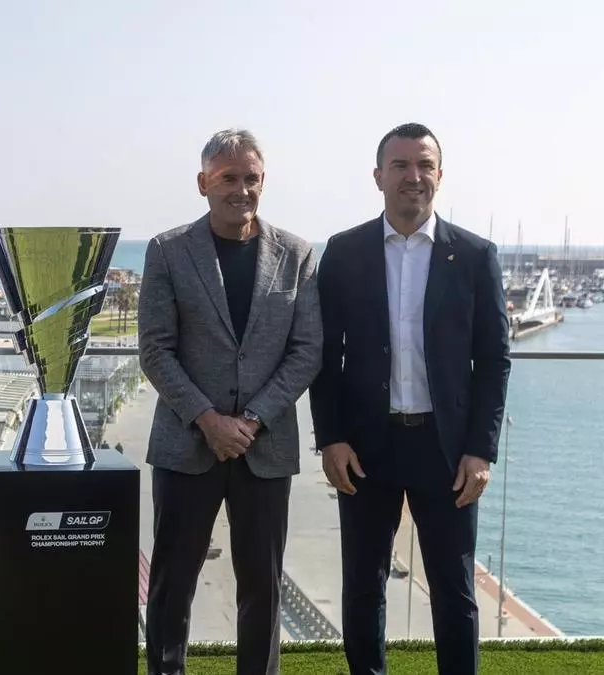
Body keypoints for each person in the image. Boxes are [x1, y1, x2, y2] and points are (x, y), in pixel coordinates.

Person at [309, 123, 511, 675]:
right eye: (400, 165)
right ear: (378, 177)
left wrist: (481, 450)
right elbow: (325, 357)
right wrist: (331, 438)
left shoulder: (475, 255)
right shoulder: (344, 253)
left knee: (455, 590)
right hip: (365, 448)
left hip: (447, 451)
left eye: (424, 165)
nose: (413, 176)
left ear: (440, 176)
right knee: (362, 586)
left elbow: (494, 360)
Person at [137, 128, 323, 675]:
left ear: (264, 181)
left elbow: (306, 352)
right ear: (203, 183)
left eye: (251, 178)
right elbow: (155, 350)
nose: (241, 189)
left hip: (264, 450)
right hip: (186, 445)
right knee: (171, 585)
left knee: (262, 590)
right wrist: (208, 420)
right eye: (227, 178)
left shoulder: (297, 255)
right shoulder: (168, 251)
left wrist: (251, 420)